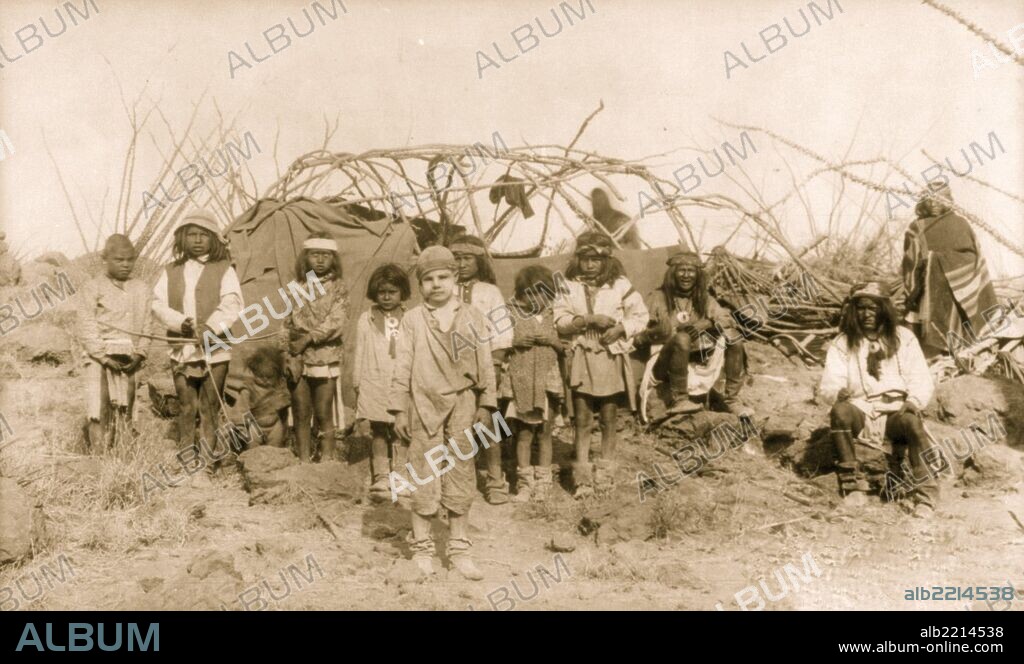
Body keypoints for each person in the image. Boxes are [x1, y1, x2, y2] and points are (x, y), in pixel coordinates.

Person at [388, 245, 498, 580]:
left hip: (463, 404)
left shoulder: (474, 317)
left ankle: (459, 549)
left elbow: (486, 364)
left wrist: (486, 403)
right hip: (422, 405)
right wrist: (399, 409)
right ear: (420, 285)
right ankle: (422, 548)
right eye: (429, 279)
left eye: (443, 277)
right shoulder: (412, 320)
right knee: (424, 473)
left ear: (455, 279)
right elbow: (402, 364)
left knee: (462, 472)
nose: (436, 284)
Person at [818, 281, 937, 517]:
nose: (866, 314)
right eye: (861, 308)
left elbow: (921, 377)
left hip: (894, 411)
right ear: (854, 311)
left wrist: (913, 402)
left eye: (873, 308)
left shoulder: (904, 338)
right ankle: (853, 487)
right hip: (860, 409)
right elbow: (830, 382)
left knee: (913, 422)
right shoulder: (843, 342)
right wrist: (838, 392)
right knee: (840, 412)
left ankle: (925, 496)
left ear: (884, 309)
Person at [553, 231, 649, 498]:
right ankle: (582, 478)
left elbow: (641, 316)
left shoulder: (619, 285)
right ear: (578, 259)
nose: (590, 264)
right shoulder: (567, 285)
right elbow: (559, 319)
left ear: (607, 260)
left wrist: (620, 329)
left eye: (596, 259)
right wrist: (588, 320)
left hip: (609, 357)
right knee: (582, 419)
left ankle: (605, 474)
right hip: (582, 355)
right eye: (585, 258)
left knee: (608, 417)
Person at [152, 210, 243, 468]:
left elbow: (232, 304)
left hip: (215, 348)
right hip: (182, 349)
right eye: (192, 234)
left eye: (204, 235)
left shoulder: (224, 269)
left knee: (209, 405)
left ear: (214, 239)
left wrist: (211, 327)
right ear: (182, 238)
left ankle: (206, 463)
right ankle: (185, 458)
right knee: (186, 404)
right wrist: (181, 323)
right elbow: (157, 304)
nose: (198, 240)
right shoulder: (170, 270)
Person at [636, 250, 748, 415]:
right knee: (681, 338)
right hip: (663, 361)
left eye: (691, 271)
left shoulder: (704, 298)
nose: (686, 275)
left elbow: (726, 318)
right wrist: (658, 332)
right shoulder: (657, 297)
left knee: (734, 338)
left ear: (697, 275)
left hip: (698, 359)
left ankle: (731, 399)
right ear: (672, 273)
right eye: (681, 270)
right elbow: (637, 333)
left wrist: (704, 324)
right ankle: (680, 400)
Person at [450, 234, 513, 505]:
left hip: (485, 363)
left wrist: (496, 366)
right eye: (456, 259)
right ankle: (455, 479)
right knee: (453, 422)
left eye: (467, 259)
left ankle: (495, 480)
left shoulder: (489, 292)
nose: (461, 264)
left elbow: (503, 331)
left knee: (488, 422)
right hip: (450, 367)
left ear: (479, 261)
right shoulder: (444, 289)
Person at [902, 182, 999, 356]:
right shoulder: (916, 227)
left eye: (938, 199)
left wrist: (939, 262)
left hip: (960, 287)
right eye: (928, 200)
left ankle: (964, 352)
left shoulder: (961, 224)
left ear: (948, 200)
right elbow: (909, 263)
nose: (933, 204)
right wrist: (927, 267)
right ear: (922, 203)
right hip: (925, 288)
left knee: (964, 324)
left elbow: (973, 257)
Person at [78, 234, 153, 448]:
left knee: (126, 407)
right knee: (100, 406)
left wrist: (140, 354)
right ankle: (99, 457)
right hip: (99, 356)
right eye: (119, 260)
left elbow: (147, 325)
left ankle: (122, 456)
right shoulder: (93, 287)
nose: (125, 265)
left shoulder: (142, 288)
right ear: (106, 259)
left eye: (130, 259)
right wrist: (102, 356)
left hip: (130, 355)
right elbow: (86, 324)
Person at [504, 265, 565, 502]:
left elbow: (565, 348)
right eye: (528, 294)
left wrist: (552, 340)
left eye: (540, 294)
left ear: (550, 293)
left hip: (547, 384)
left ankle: (543, 483)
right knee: (524, 434)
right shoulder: (512, 313)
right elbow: (500, 341)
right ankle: (524, 483)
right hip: (523, 384)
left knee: (545, 434)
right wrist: (516, 341)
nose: (534, 299)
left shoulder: (554, 315)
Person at [286, 233, 349, 462]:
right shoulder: (296, 287)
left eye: (326, 255)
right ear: (306, 258)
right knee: (301, 411)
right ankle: (303, 459)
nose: (320, 260)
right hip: (298, 357)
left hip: (325, 356)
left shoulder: (338, 288)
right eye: (315, 255)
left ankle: (327, 459)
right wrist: (288, 351)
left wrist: (309, 338)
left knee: (323, 411)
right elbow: (286, 322)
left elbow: (337, 321)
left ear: (334, 259)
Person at [353, 263, 411, 502]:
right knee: (378, 429)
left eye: (392, 292)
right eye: (382, 292)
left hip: (400, 379)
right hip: (374, 379)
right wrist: (357, 382)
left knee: (401, 430)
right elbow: (359, 351)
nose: (387, 297)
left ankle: (401, 473)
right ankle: (381, 476)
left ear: (402, 292)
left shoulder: (410, 318)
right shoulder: (366, 319)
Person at [238, 347, 290, 447]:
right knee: (252, 449)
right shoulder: (248, 388)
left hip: (274, 425)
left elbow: (285, 409)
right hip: (255, 426)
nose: (265, 380)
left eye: (269, 377)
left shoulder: (278, 387)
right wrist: (242, 426)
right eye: (261, 377)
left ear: (276, 375)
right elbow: (242, 409)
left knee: (274, 449)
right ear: (254, 372)